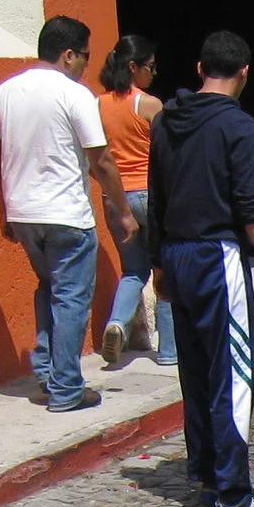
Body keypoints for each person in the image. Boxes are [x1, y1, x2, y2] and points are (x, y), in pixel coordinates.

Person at [147, 29, 254, 507]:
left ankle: (208, 476)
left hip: (176, 252)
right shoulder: (239, 128)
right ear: (244, 73)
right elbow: (253, 210)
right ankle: (233, 491)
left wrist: (159, 267)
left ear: (200, 68)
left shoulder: (166, 121)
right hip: (216, 255)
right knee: (233, 375)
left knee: (194, 371)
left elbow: (157, 197)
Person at [0, 15, 135, 414]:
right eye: (85, 56)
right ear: (68, 55)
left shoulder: (3, 93)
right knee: (70, 299)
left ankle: (49, 372)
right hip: (66, 214)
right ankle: (66, 388)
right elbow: (100, 159)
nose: (87, 64)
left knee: (49, 289)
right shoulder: (74, 94)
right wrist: (123, 211)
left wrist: (4, 210)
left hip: (24, 215)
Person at [95, 34, 173, 369]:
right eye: (150, 67)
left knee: (133, 271)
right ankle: (169, 350)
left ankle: (116, 323)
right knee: (164, 271)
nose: (154, 73)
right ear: (132, 67)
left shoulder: (97, 105)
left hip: (114, 198)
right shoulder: (150, 105)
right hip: (148, 194)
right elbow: (169, 152)